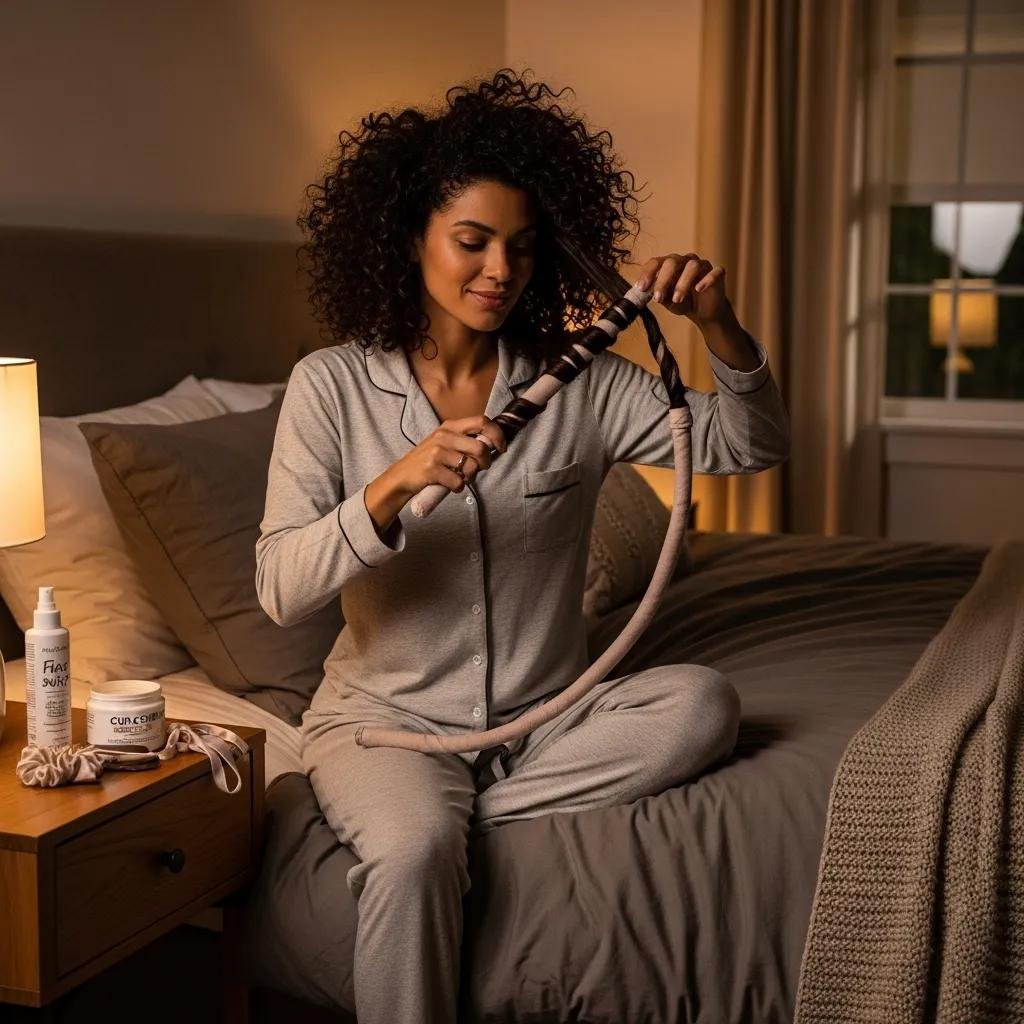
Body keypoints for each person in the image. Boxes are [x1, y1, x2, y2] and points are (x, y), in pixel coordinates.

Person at [255, 67, 790, 1024]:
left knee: (702, 705)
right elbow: (280, 587)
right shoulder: (328, 386)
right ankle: (429, 826)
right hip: (389, 726)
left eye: (522, 246)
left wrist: (718, 324)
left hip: (549, 721)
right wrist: (393, 485)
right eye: (472, 241)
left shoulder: (581, 384)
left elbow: (750, 445)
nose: (500, 269)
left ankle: (469, 819)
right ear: (409, 237)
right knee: (414, 852)